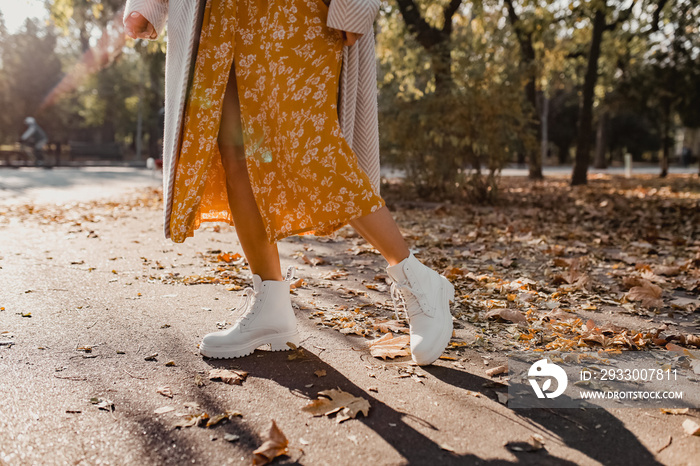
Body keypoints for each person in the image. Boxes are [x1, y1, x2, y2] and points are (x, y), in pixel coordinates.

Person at [123, 0, 454, 365]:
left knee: (312, 144)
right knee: (236, 153)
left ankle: (418, 280)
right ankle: (271, 304)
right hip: (218, 10)